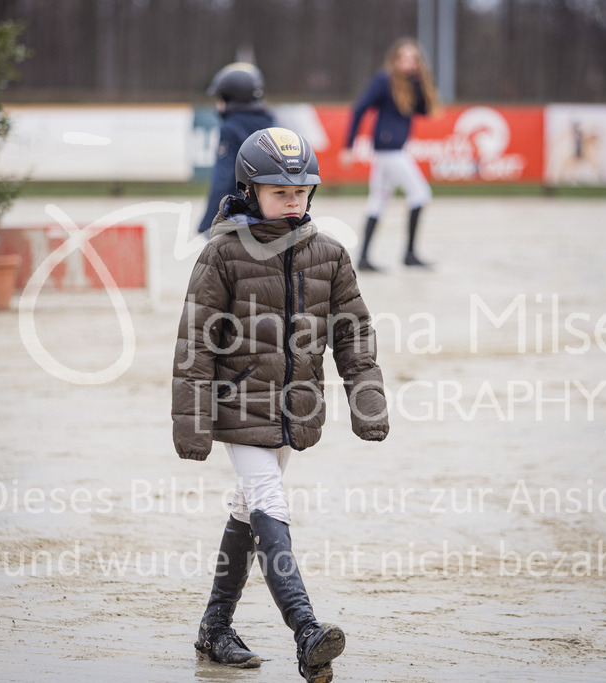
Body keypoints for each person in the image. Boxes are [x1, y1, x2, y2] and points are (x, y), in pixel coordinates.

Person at [172, 127, 389, 682]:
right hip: (237, 408)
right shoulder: (222, 252)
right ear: (249, 190)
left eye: (301, 192)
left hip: (295, 410)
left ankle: (214, 628)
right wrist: (194, 423)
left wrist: (366, 399)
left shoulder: (331, 254)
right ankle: (306, 630)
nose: (293, 201)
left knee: (248, 510)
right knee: (269, 499)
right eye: (279, 192)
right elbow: (195, 343)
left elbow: (353, 334)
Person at [345, 37, 439, 272]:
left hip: (394, 150)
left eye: (413, 58)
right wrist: (349, 145)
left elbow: (425, 111)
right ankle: (409, 254)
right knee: (420, 194)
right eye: (403, 57)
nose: (408, 62)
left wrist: (420, 80)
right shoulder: (384, 81)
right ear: (394, 59)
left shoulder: (410, 85)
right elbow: (359, 109)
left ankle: (364, 258)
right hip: (389, 149)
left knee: (377, 200)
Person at [197, 62, 275, 235]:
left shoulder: (230, 128)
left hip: (238, 216)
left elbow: (222, 179)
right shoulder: (270, 123)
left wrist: (208, 221)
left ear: (230, 98)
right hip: (268, 212)